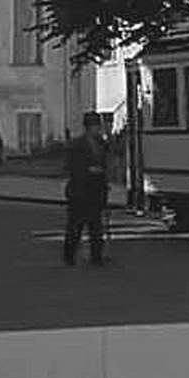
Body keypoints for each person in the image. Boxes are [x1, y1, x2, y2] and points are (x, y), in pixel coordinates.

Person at [63, 113, 109, 266]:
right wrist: (89, 170)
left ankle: (97, 257)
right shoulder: (77, 145)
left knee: (96, 226)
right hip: (80, 191)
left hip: (96, 191)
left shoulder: (101, 143)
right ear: (89, 128)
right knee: (75, 226)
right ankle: (69, 255)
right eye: (96, 126)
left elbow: (105, 164)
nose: (99, 129)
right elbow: (72, 167)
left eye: (99, 126)